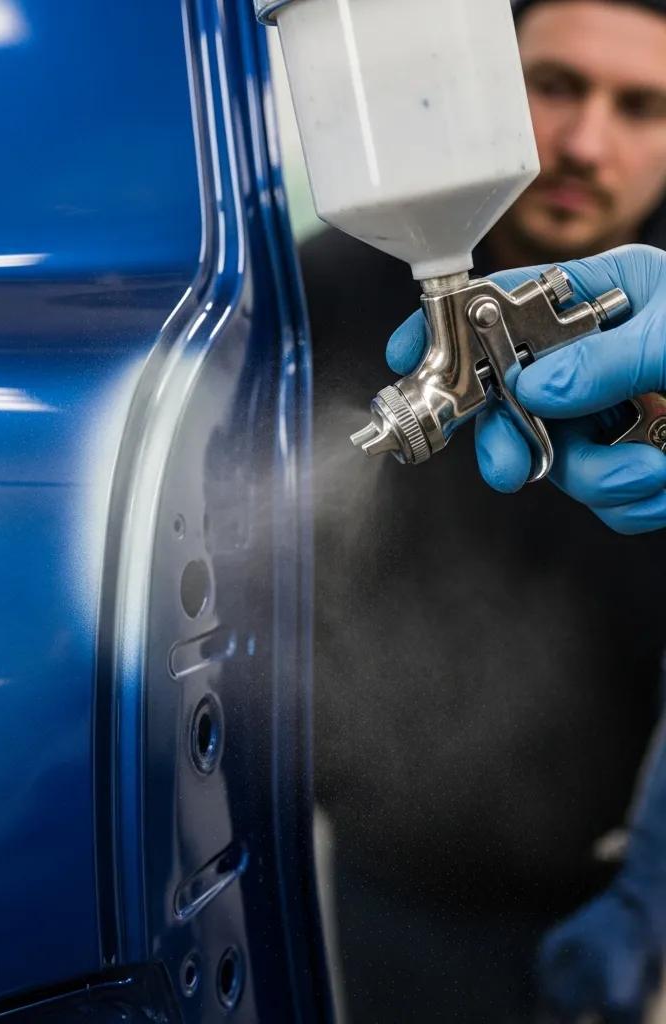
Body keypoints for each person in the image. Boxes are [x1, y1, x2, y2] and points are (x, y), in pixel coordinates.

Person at [301, 1, 666, 1020]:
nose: (585, 142)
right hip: (406, 884)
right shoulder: (326, 287)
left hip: (631, 879)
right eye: (553, 87)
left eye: (641, 107)